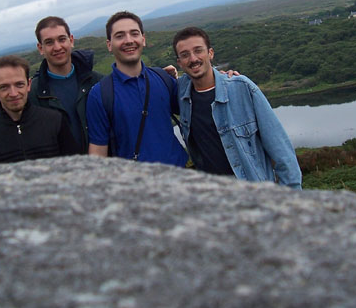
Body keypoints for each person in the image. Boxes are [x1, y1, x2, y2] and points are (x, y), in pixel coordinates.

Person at [172, 26, 302, 188]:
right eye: (185, 55)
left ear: (210, 53)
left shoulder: (241, 88)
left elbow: (281, 150)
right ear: (179, 63)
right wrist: (164, 74)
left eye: (198, 51)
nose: (193, 59)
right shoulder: (181, 92)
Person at [86, 11, 187, 167]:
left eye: (134, 34)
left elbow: (196, 106)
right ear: (109, 45)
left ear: (143, 39)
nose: (129, 40)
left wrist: (221, 79)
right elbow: (98, 153)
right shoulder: (100, 95)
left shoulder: (163, 78)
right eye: (120, 36)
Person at [0, 55, 79, 164]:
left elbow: (74, 167)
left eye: (19, 85)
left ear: (28, 84)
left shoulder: (55, 122)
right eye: (4, 87)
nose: (13, 93)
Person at [30, 16, 102, 152]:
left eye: (62, 39)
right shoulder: (33, 93)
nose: (57, 47)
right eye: (49, 42)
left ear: (71, 40)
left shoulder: (97, 82)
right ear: (41, 48)